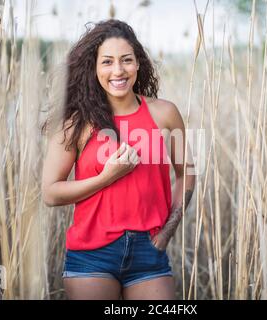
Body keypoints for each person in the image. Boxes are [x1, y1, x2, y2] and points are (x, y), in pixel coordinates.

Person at [41, 19, 196, 300]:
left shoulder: (165, 114)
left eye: (126, 60)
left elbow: (187, 172)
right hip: (92, 256)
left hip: (149, 253)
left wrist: (168, 231)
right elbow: (50, 193)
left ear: (138, 63)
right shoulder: (76, 123)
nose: (118, 70)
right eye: (107, 62)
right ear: (94, 67)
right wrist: (107, 176)